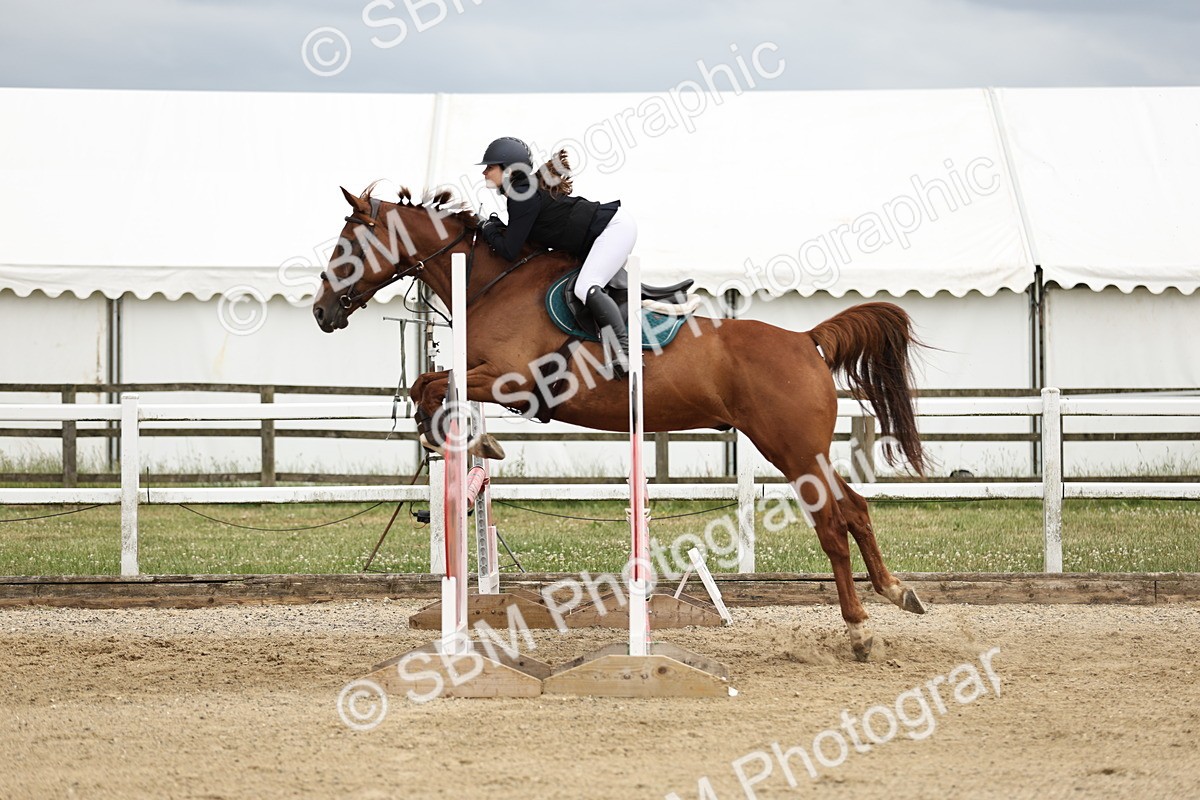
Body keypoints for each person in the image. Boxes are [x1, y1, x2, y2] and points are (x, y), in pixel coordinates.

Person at [476, 136, 636, 378]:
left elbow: (510, 251)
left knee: (585, 287)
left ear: (508, 169)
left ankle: (624, 354)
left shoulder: (522, 195)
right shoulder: (521, 192)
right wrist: (497, 228)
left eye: (490, 167)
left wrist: (488, 229)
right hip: (609, 230)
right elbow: (524, 241)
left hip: (614, 229)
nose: (485, 172)